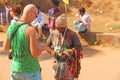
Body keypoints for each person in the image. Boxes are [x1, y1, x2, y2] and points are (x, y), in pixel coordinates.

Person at [3, 4, 49, 80]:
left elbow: (5, 47)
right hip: (30, 70)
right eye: (36, 15)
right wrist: (43, 47)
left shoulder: (11, 27)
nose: (35, 18)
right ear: (31, 13)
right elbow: (35, 53)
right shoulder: (30, 30)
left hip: (15, 70)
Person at [46, 14, 83, 80]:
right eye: (58, 28)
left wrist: (67, 52)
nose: (59, 30)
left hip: (69, 64)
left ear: (65, 27)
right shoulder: (53, 33)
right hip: (57, 63)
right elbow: (47, 46)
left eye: (61, 28)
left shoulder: (72, 34)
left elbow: (79, 47)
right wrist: (52, 52)